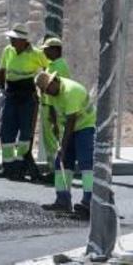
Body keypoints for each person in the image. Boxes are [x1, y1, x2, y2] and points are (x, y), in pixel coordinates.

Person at [36, 72, 95, 217]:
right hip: (70, 128)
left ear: (55, 81)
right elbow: (51, 111)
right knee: (61, 162)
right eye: (45, 91)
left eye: (48, 89)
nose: (47, 93)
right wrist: (54, 127)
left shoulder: (71, 91)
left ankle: (90, 202)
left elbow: (71, 122)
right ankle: (63, 200)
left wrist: (63, 145)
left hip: (86, 126)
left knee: (85, 163)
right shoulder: (51, 91)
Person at [0, 24, 49, 180]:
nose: (11, 41)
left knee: (25, 132)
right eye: (11, 39)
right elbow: (2, 70)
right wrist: (1, 89)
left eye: (14, 39)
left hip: (27, 96)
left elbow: (47, 69)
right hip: (11, 94)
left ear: (22, 40)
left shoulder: (36, 54)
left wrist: (43, 86)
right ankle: (7, 166)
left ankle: (21, 165)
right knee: (6, 131)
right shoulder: (8, 51)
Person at [40, 37, 71, 176]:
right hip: (48, 105)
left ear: (55, 50)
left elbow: (58, 91)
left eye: (46, 50)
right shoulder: (52, 65)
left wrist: (53, 110)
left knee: (53, 140)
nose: (44, 53)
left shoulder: (59, 67)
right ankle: (54, 169)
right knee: (50, 140)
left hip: (53, 107)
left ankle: (56, 171)